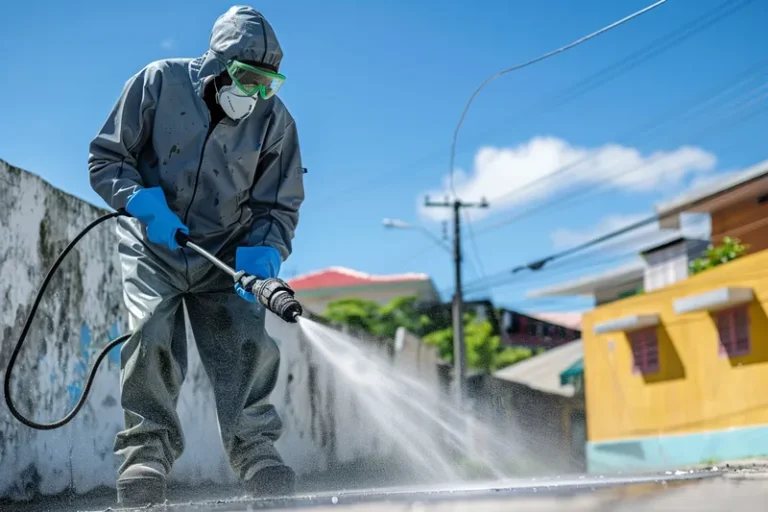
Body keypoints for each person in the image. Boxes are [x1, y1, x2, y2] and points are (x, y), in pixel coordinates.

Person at [87, 5, 305, 507]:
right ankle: (145, 456)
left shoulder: (275, 122)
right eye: (248, 79)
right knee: (151, 332)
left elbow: (279, 202)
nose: (255, 95)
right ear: (218, 66)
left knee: (247, 342)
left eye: (268, 85)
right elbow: (106, 157)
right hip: (155, 240)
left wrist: (266, 250)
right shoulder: (157, 82)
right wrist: (141, 202)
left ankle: (257, 457)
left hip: (225, 250)